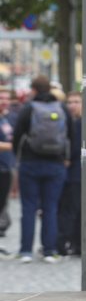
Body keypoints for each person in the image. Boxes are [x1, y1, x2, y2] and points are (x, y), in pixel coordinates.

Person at [12, 75, 70, 264]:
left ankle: (26, 251)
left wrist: (18, 157)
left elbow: (17, 135)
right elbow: (71, 136)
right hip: (55, 164)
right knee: (50, 208)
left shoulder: (28, 108)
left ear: (34, 90)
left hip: (30, 163)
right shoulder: (61, 108)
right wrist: (65, 158)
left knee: (28, 207)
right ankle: (49, 250)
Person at [57, 91, 83, 256]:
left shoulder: (81, 124)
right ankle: (73, 243)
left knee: (71, 210)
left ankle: (66, 243)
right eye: (69, 102)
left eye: (76, 102)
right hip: (68, 173)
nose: (72, 105)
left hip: (76, 173)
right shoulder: (68, 122)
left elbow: (74, 149)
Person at [0, 89, 15, 240]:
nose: (4, 101)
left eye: (6, 98)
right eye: (1, 98)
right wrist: (13, 146)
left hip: (6, 166)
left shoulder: (7, 118)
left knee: (3, 201)